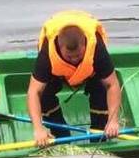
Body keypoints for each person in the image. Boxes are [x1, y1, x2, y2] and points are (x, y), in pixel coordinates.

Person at [27, 10, 122, 148]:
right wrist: (38, 128)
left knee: (101, 92)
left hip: (90, 70)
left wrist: (113, 121)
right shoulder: (47, 54)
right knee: (44, 96)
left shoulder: (96, 48)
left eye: (78, 55)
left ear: (85, 43)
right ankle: (62, 134)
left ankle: (98, 135)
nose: (74, 59)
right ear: (60, 47)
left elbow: (112, 84)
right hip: (58, 71)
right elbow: (33, 92)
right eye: (69, 57)